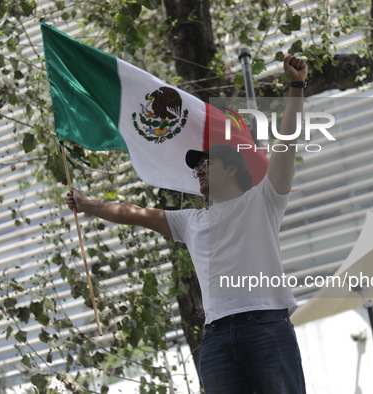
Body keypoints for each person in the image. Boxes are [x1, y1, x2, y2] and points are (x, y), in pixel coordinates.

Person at [66, 55, 308, 394]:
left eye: (205, 163)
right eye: (196, 167)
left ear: (232, 169)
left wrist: (296, 87)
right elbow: (133, 213)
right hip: (216, 338)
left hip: (266, 325)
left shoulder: (263, 199)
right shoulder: (191, 220)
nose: (197, 170)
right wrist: (87, 204)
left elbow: (287, 143)